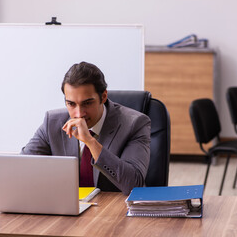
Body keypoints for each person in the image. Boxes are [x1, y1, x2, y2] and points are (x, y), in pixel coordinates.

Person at [21, 61, 151, 195]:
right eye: (71, 104)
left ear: (104, 97)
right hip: (67, 209)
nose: (79, 114)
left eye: (87, 103)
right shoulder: (52, 122)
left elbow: (134, 185)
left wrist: (90, 141)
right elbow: (22, 167)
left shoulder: (135, 124)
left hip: (112, 210)